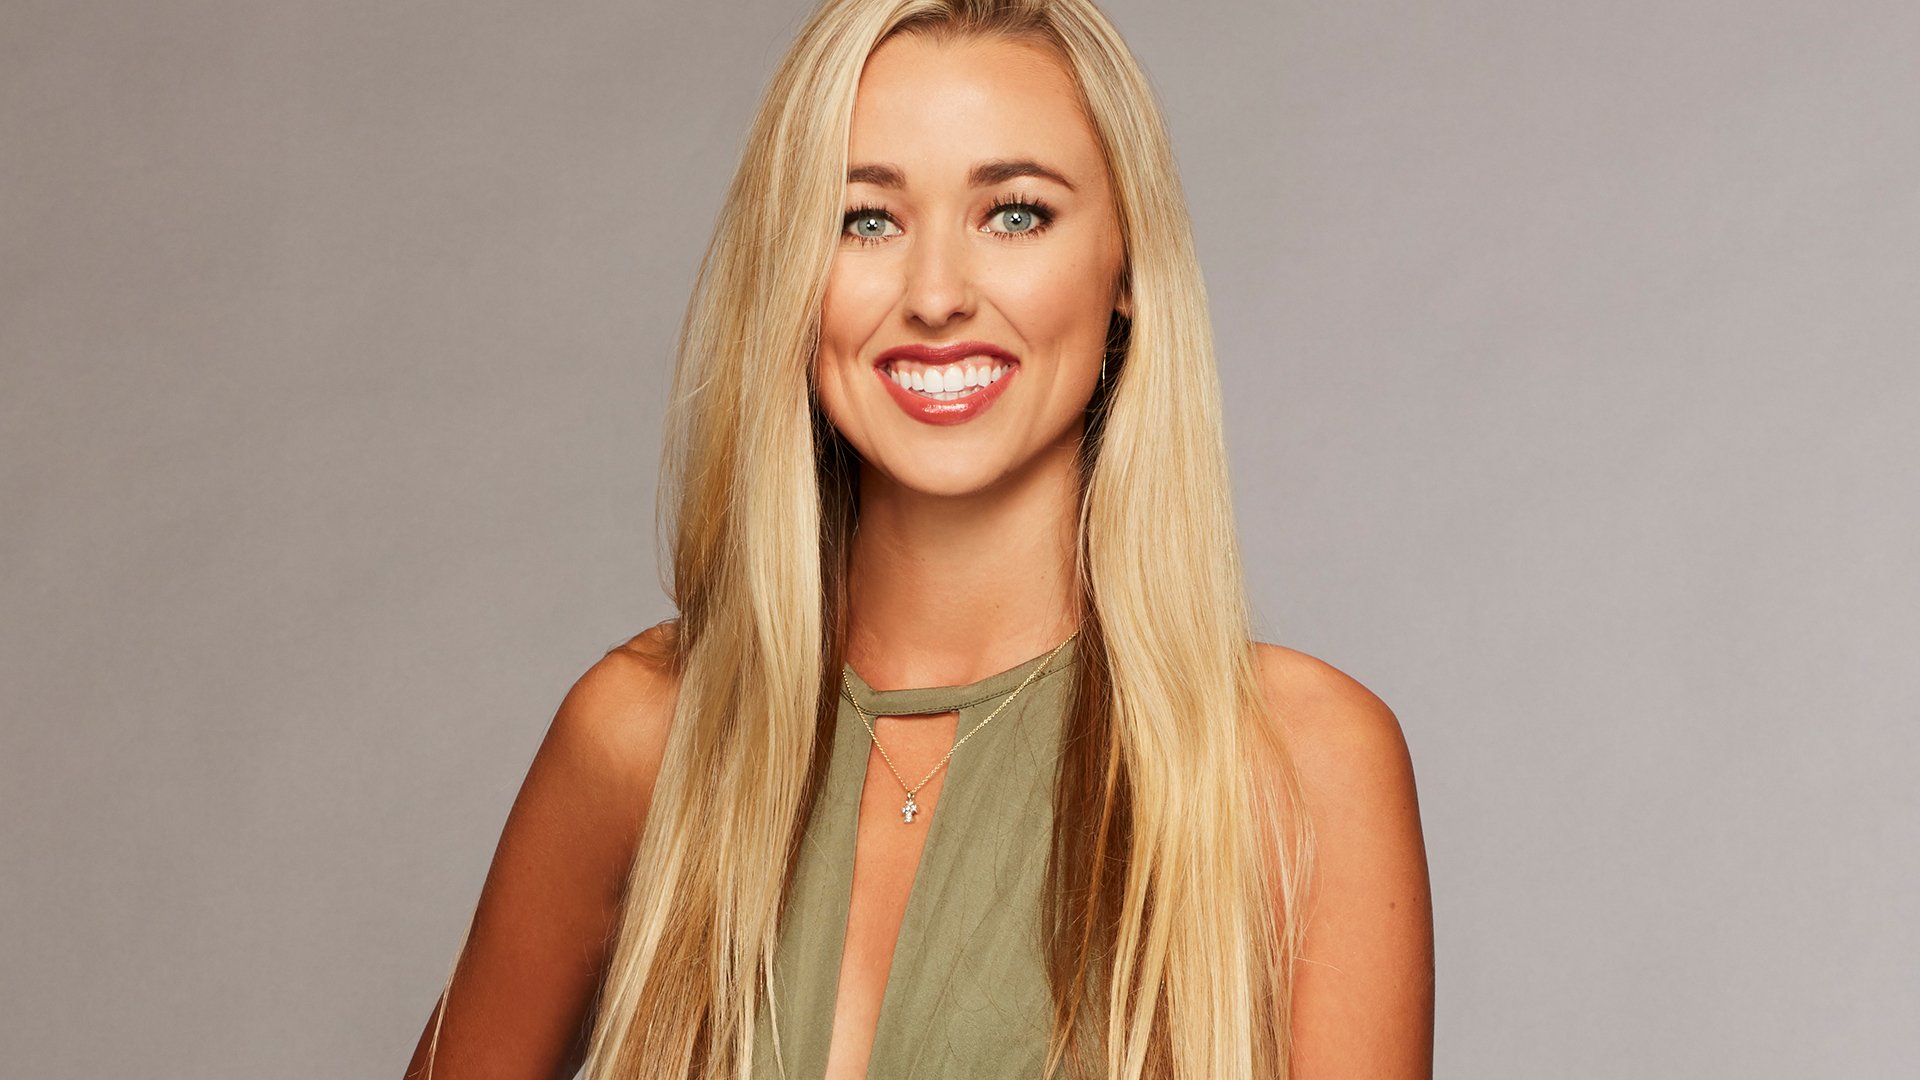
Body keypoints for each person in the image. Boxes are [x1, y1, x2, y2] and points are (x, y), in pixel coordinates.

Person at [403, 0, 1432, 1077]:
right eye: (865, 220)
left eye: (1016, 214)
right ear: (792, 273)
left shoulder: (1298, 766)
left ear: (1125, 267)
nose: (936, 295)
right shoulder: (646, 738)